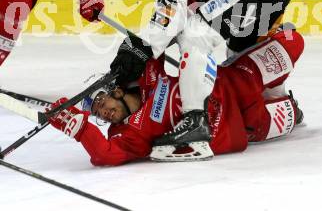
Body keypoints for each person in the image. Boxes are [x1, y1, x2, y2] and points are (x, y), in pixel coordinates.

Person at [99, 0, 300, 160]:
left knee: (194, 36)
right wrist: (145, 45)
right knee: (241, 46)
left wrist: (137, 49)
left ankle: (195, 123)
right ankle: (281, 104)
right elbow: (181, 4)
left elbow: (169, 15)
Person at [48, 28, 305, 164]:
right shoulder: (126, 135)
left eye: (102, 103)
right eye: (98, 114)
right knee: (293, 113)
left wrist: (132, 50)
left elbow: (164, 32)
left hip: (236, 82)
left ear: (116, 90)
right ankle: (280, 96)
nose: (104, 113)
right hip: (245, 126)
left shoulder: (145, 73)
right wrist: (80, 129)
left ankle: (273, 87)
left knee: (293, 39)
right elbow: (105, 155)